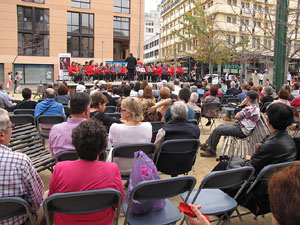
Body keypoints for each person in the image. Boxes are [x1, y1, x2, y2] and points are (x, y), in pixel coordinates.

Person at [48, 119, 124, 225]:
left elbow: (51, 203)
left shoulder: (60, 168)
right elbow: (119, 202)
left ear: (75, 145)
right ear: (102, 149)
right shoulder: (112, 169)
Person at [0, 108, 44, 225]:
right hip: (18, 221)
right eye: (11, 127)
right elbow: (36, 200)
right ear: (1, 134)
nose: (12, 130)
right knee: (48, 199)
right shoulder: (19, 161)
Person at [201, 90, 260, 157]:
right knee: (220, 126)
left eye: (246, 97)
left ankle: (211, 151)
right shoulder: (254, 107)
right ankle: (207, 144)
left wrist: (241, 105)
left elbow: (237, 116)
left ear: (248, 98)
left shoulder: (251, 109)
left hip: (242, 130)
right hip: (241, 126)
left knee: (218, 130)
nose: (245, 99)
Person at [108, 97, 152, 173]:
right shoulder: (148, 126)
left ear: (128, 113)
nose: (120, 112)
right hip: (141, 166)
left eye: (121, 110)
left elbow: (111, 142)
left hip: (119, 168)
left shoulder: (115, 127)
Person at [49, 92, 90, 157]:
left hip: (62, 165)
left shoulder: (55, 129)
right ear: (87, 111)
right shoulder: (95, 131)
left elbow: (53, 154)